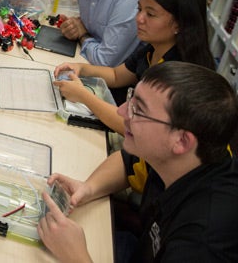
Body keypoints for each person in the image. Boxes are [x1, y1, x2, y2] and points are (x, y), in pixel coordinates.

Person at [37, 61, 238, 262]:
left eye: (138, 110)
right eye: (130, 100)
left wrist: (76, 257)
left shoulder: (201, 243)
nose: (121, 112)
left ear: (182, 140)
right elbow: (128, 161)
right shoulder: (184, 158)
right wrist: (88, 188)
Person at [54, 0, 215, 135]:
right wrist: (80, 68)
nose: (139, 18)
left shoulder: (178, 74)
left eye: (150, 14)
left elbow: (132, 127)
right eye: (139, 9)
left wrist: (83, 96)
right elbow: (117, 75)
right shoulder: (152, 48)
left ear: (179, 24)